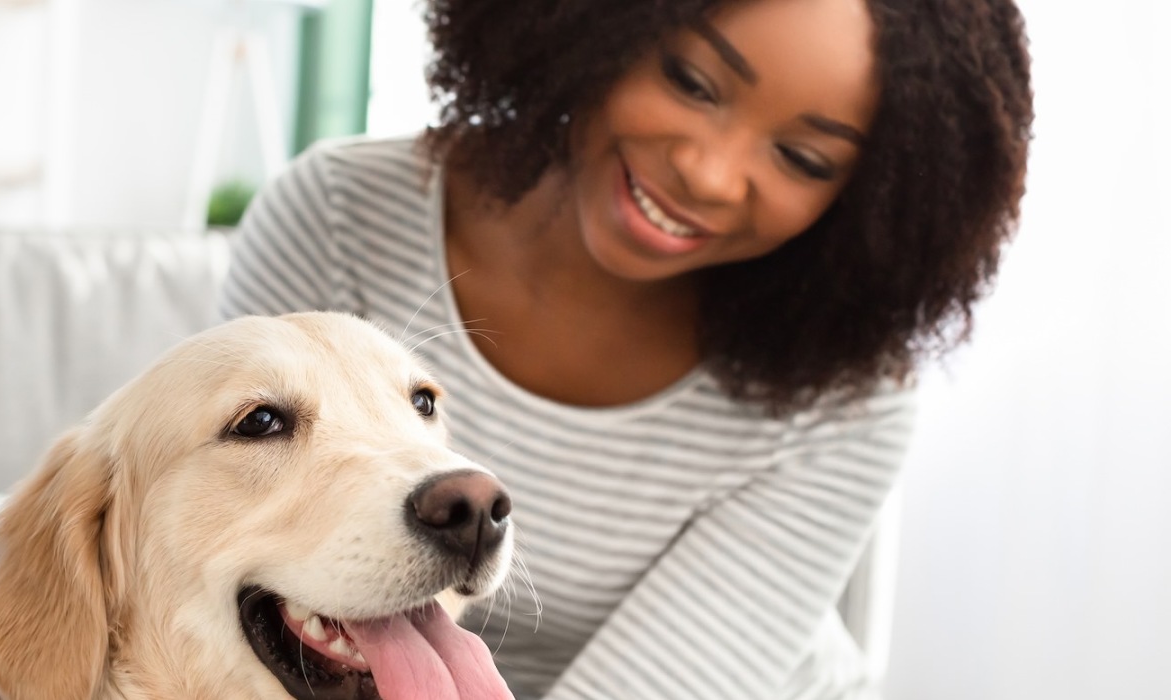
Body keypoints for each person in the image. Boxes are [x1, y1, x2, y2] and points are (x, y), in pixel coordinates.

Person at [222, 0, 1032, 697]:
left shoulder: (848, 400)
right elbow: (203, 557)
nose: (708, 174)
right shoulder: (339, 219)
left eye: (802, 157)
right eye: (691, 82)